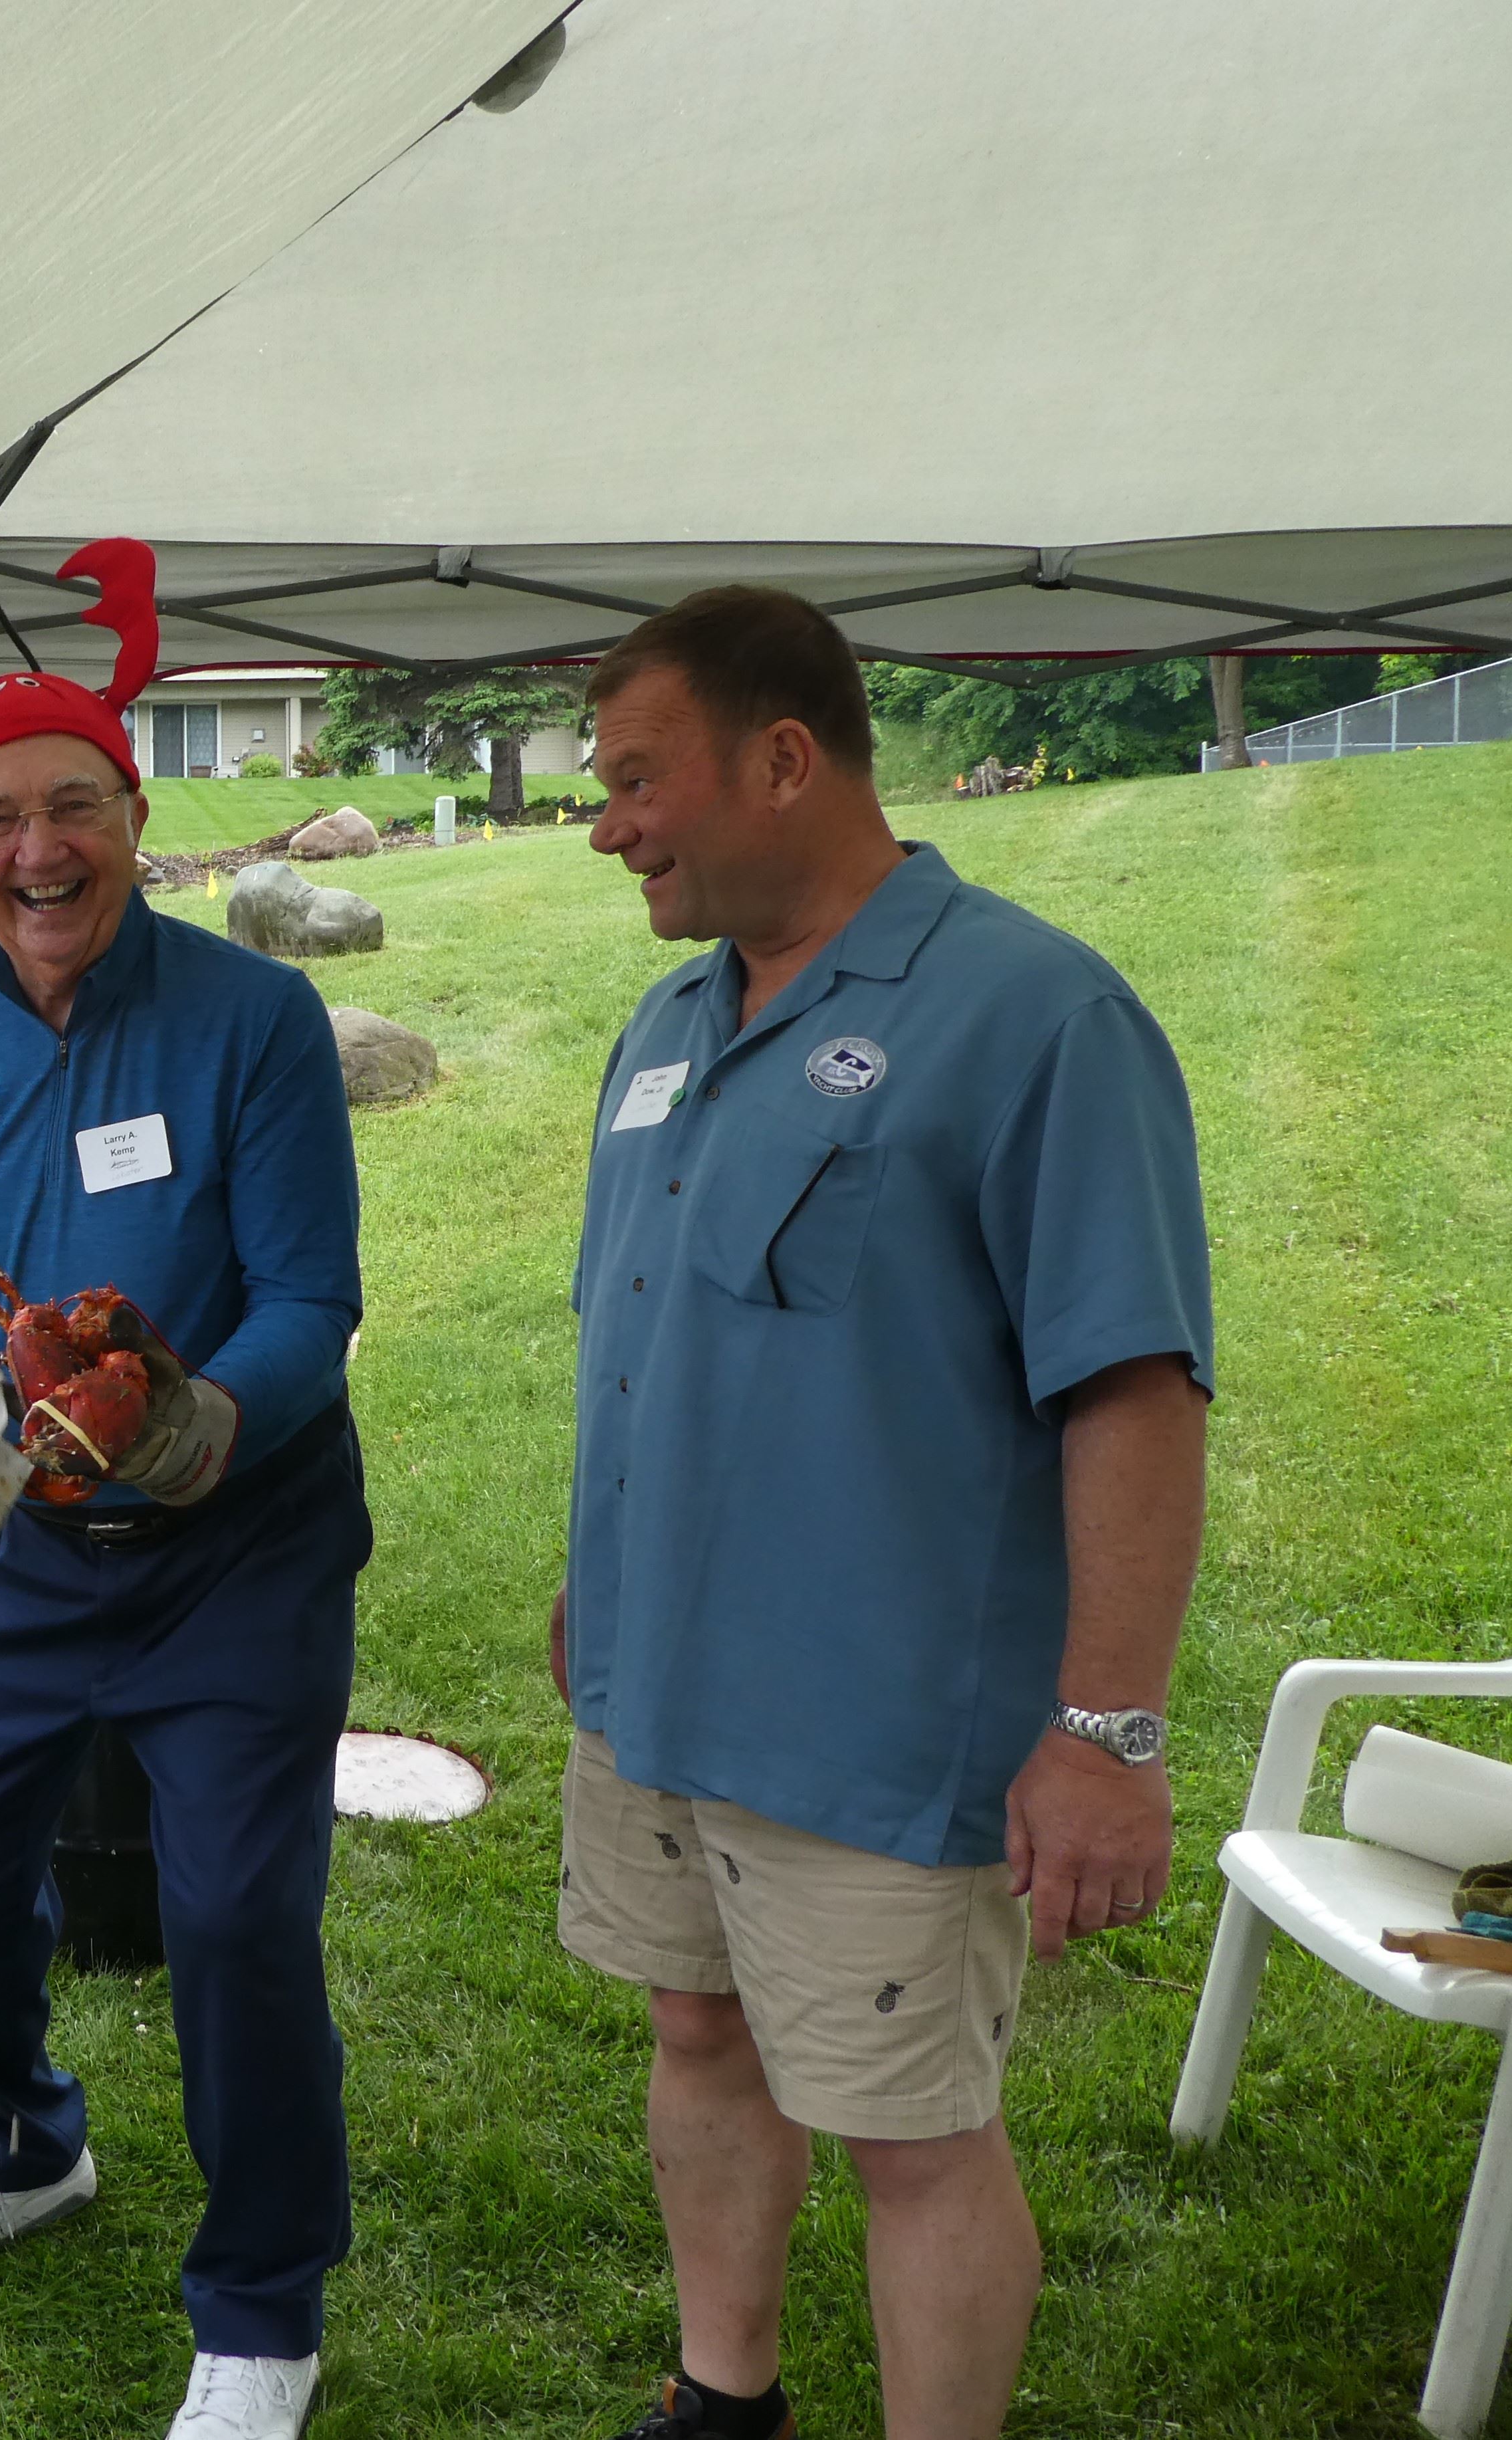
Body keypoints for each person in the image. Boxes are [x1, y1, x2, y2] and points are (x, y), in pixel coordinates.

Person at [554, 587, 1212, 2440]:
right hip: (654, 1687)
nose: (605, 822)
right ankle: (720, 2397)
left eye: (634, 776)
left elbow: (1132, 1391)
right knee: (697, 2033)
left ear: (782, 757)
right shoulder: (668, 1024)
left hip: (871, 1718)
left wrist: (1103, 1732)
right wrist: (583, 1579)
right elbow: (644, 1335)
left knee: (909, 2134)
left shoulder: (1032, 1016)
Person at [0, 541, 367, 2440]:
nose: (36, 853)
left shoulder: (253, 1022)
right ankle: (24, 2142)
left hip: (239, 1549)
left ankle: (263, 2296)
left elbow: (305, 1298)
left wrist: (200, 1425)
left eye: (72, 811)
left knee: (230, 1916)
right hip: (4, 1552)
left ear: (134, 818)